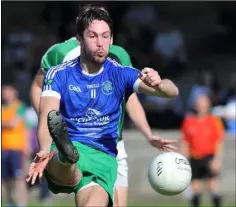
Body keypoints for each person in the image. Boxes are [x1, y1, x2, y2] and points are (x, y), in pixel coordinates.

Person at [26, 8, 179, 207]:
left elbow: (171, 91)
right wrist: (44, 149)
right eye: (93, 36)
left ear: (112, 39)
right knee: (66, 165)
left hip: (102, 155)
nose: (100, 43)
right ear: (80, 38)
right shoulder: (58, 74)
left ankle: (66, 157)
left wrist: (159, 83)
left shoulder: (121, 73)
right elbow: (48, 114)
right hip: (70, 142)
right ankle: (66, 156)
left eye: (105, 36)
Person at [181, 95, 225, 207]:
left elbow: (219, 141)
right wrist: (182, 161)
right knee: (195, 189)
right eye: (198, 103)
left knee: (213, 186)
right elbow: (185, 142)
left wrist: (217, 159)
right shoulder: (188, 121)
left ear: (208, 105)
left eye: (203, 103)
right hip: (194, 158)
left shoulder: (214, 121)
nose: (201, 106)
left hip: (209, 157)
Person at [2, 82, 29, 207]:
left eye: (9, 91)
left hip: (16, 148)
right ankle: (10, 203)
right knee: (4, 179)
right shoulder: (2, 108)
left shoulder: (20, 107)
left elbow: (14, 124)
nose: (6, 94)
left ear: (14, 92)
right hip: (3, 149)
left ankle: (22, 203)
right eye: (4, 91)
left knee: (19, 179)